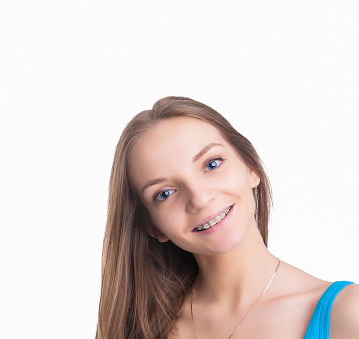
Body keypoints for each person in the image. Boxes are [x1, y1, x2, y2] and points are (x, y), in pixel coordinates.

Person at [96, 97, 359, 339]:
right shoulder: (138, 328)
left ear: (250, 167)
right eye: (165, 193)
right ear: (153, 226)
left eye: (212, 164)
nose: (199, 198)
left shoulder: (347, 314)